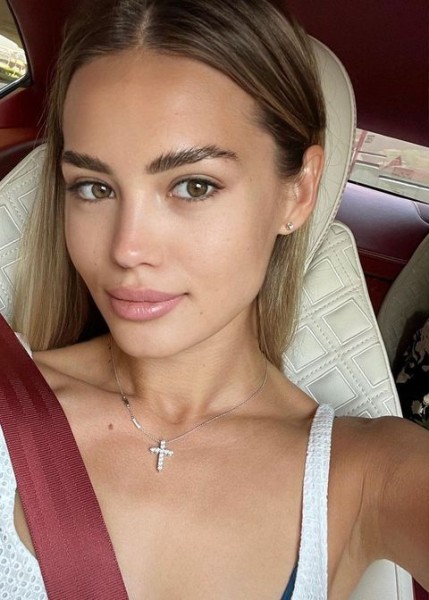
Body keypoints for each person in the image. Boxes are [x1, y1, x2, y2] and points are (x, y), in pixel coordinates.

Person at [1, 0, 428, 598]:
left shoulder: (370, 472)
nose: (127, 249)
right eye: (94, 188)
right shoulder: (9, 400)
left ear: (297, 193)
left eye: (193, 185)